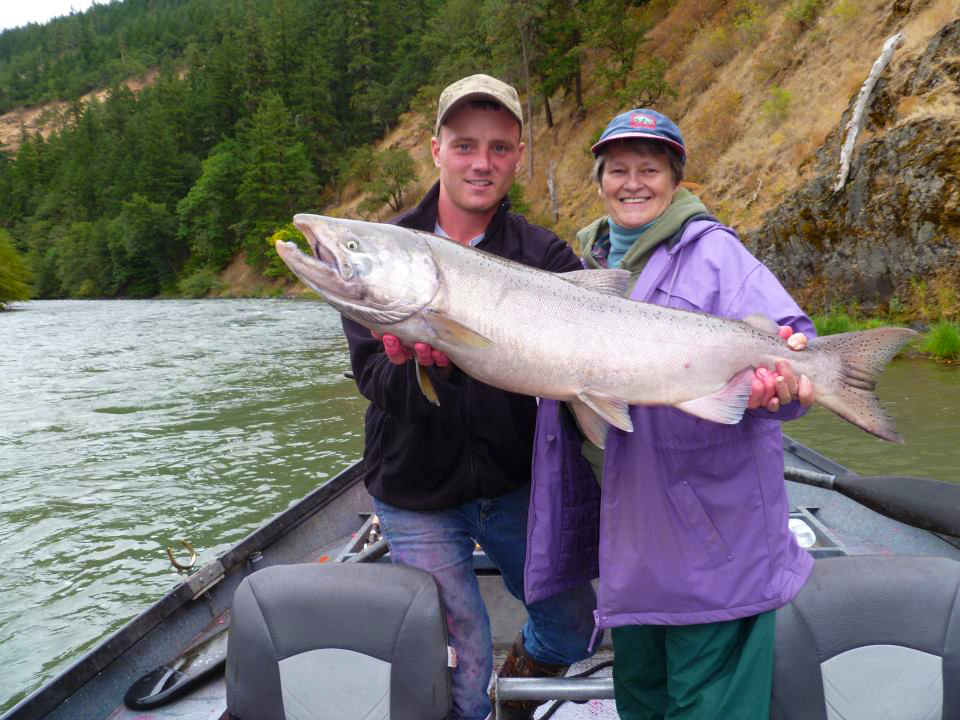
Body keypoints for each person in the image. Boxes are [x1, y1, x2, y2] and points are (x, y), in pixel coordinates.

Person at [523, 108, 816, 720]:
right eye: (619, 169)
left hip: (713, 555)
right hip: (633, 555)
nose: (633, 182)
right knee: (644, 705)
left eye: (650, 169)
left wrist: (783, 386)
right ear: (600, 180)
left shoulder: (717, 256)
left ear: (676, 179)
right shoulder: (585, 268)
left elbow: (796, 351)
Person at [340, 74, 598, 720]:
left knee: (572, 626)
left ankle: (514, 704)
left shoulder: (546, 255)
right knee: (462, 659)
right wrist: (428, 368)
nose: (482, 163)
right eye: (464, 146)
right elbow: (377, 381)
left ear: (516, 157)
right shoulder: (381, 257)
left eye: (500, 148)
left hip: (516, 484)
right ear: (435, 150)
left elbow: (608, 338)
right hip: (415, 490)